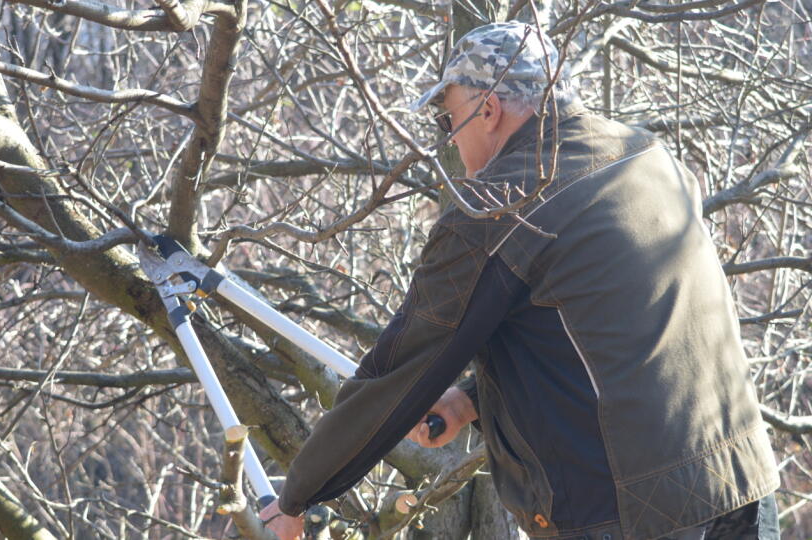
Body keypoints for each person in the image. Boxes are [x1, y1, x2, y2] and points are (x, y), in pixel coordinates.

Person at [260, 22, 780, 540]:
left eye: (450, 121)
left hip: (630, 517)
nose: (451, 140)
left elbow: (397, 375)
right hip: (745, 485)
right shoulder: (647, 156)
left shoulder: (498, 208)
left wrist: (297, 497)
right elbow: (613, 333)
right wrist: (468, 401)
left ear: (487, 111)